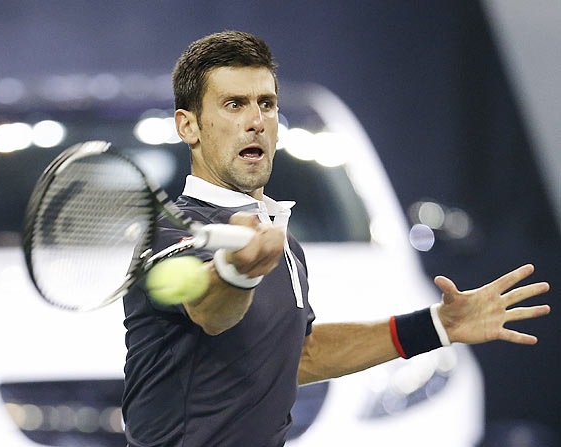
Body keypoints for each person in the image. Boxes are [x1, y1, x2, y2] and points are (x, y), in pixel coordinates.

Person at [121, 30, 551, 447]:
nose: (255, 122)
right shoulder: (168, 235)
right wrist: (239, 270)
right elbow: (210, 313)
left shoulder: (286, 247)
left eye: (266, 105)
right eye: (234, 104)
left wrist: (437, 326)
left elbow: (299, 357)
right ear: (189, 126)